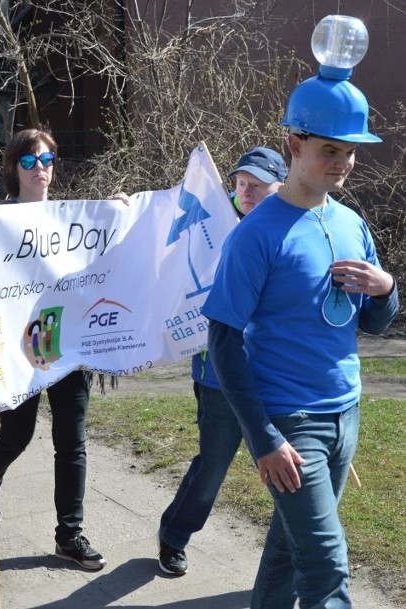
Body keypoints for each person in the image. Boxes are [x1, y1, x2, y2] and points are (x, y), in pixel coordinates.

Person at [204, 49, 399, 607]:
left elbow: (378, 323)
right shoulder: (257, 234)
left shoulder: (351, 222)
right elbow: (223, 341)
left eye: (350, 151)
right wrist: (264, 438)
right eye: (329, 150)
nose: (342, 163)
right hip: (291, 424)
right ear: (294, 144)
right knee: (326, 568)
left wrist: (386, 289)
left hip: (347, 412)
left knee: (290, 552)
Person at [0, 128, 106, 571]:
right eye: (29, 162)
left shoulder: (75, 218)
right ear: (13, 169)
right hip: (20, 347)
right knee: (17, 434)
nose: (41, 169)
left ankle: (69, 535)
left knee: (72, 442)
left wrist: (119, 216)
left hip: (69, 344)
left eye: (47, 159)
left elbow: (105, 255)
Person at [157, 146, 288, 576]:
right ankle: (174, 534)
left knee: (289, 467)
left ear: (279, 188)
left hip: (275, 375)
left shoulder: (289, 226)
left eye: (257, 186)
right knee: (213, 467)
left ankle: (296, 552)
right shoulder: (212, 218)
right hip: (218, 375)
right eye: (241, 183)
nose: (246, 192)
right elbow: (164, 234)